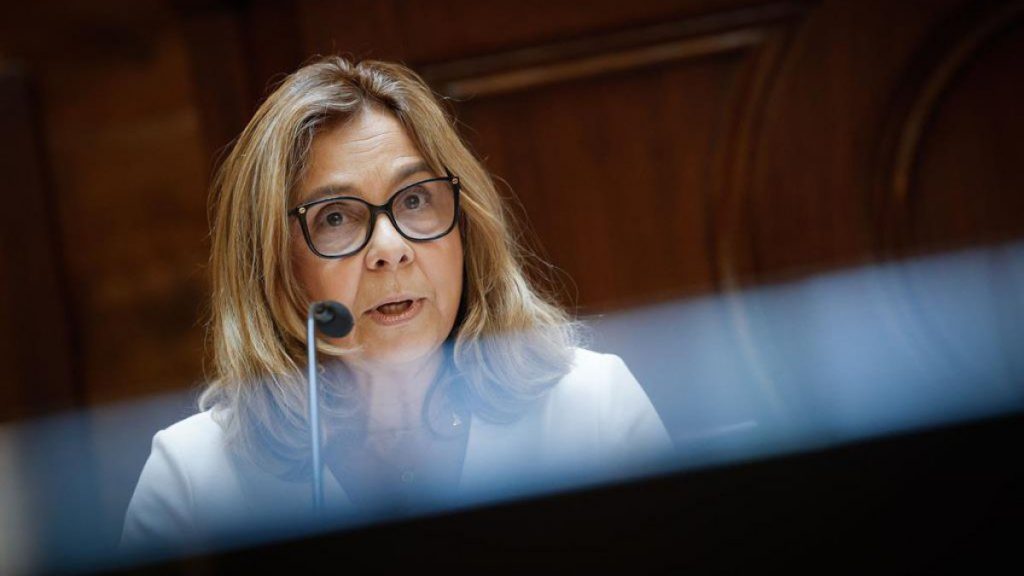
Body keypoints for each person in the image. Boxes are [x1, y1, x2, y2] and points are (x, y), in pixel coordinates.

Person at [120, 56, 673, 554]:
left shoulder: (594, 408)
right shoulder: (193, 481)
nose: (390, 248)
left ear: (465, 227)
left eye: (414, 199)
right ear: (273, 265)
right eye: (335, 217)